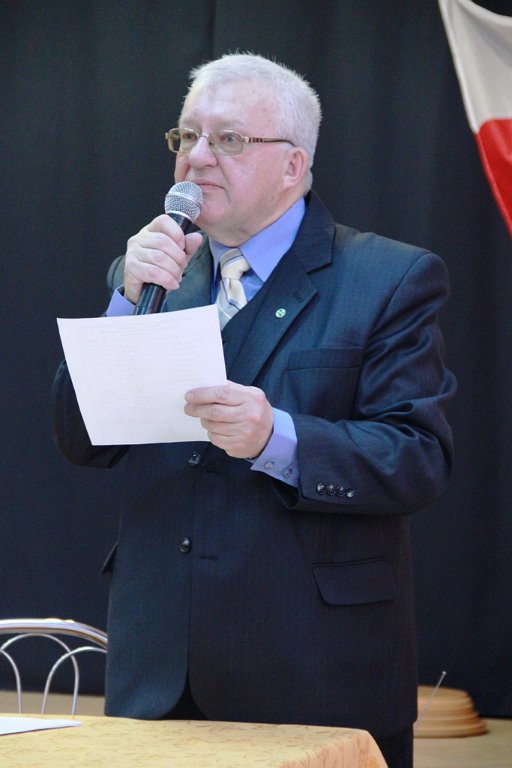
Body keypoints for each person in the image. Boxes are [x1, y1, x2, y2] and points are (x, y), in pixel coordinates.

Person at [53, 52, 456, 768]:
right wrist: (123, 303)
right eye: (187, 136)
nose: (198, 157)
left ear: (293, 165)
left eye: (229, 139)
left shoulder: (388, 278)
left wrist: (278, 437)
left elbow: (417, 458)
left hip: (315, 670)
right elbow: (82, 440)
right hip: (159, 669)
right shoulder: (153, 275)